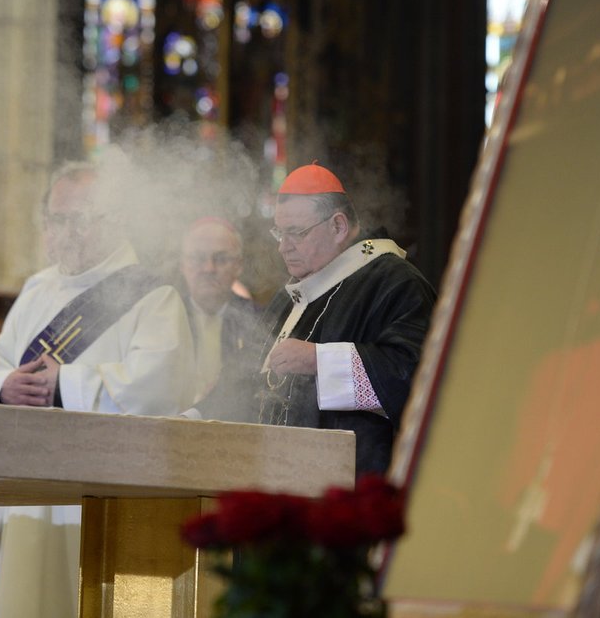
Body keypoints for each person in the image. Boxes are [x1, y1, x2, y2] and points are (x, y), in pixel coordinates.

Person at [0, 161, 196, 618]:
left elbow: (158, 391)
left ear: (116, 220)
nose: (65, 233)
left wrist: (64, 384)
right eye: (56, 220)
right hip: (29, 490)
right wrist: (4, 386)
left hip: (103, 493)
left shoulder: (151, 295)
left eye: (79, 220)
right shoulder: (38, 289)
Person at [250, 162, 436, 475]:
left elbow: (419, 380)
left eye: (296, 233)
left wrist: (320, 361)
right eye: (279, 233)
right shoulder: (289, 298)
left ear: (338, 226)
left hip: (353, 494)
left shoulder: (395, 283)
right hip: (277, 480)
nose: (283, 247)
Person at [177, 217, 261, 408]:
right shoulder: (163, 318)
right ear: (182, 264)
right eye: (197, 258)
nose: (209, 268)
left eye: (221, 259)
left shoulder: (260, 321)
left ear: (238, 265)